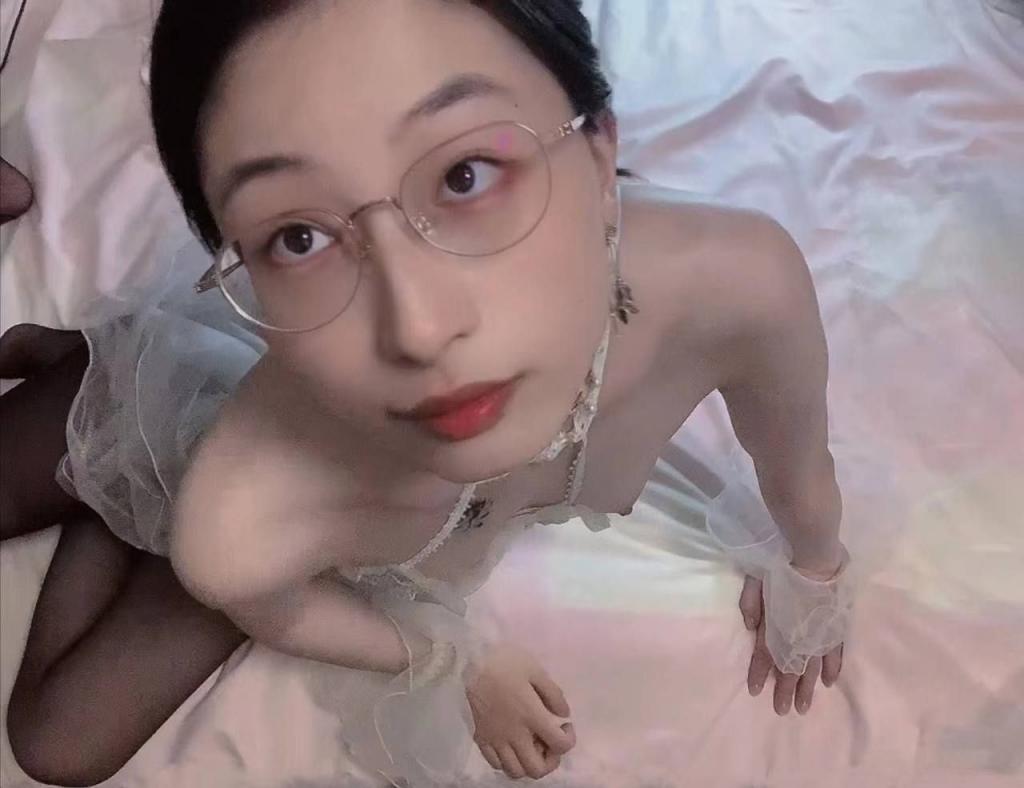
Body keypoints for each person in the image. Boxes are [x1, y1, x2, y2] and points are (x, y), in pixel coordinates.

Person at [4, 1, 859, 785]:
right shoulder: (241, 522)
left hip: (264, 496)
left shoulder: (737, 283)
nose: (416, 328)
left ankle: (100, 426)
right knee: (57, 741)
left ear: (602, 150)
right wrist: (464, 660)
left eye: (465, 176)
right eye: (296, 237)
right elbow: (273, 597)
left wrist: (815, 570)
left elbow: (796, 456)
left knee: (55, 748)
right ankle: (106, 397)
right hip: (221, 439)